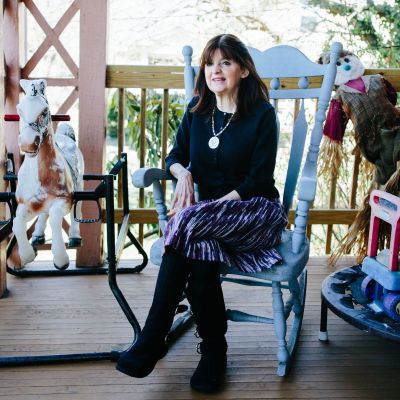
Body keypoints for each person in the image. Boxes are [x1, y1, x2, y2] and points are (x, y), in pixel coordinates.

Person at [116, 34, 287, 393]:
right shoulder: (198, 110)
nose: (216, 70)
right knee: (200, 262)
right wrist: (184, 174)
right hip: (206, 224)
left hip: (253, 212)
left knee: (187, 223)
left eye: (225, 62)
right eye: (210, 63)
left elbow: (258, 180)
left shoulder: (261, 115)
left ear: (242, 69)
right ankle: (214, 351)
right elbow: (174, 156)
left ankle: (152, 338)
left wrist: (209, 207)